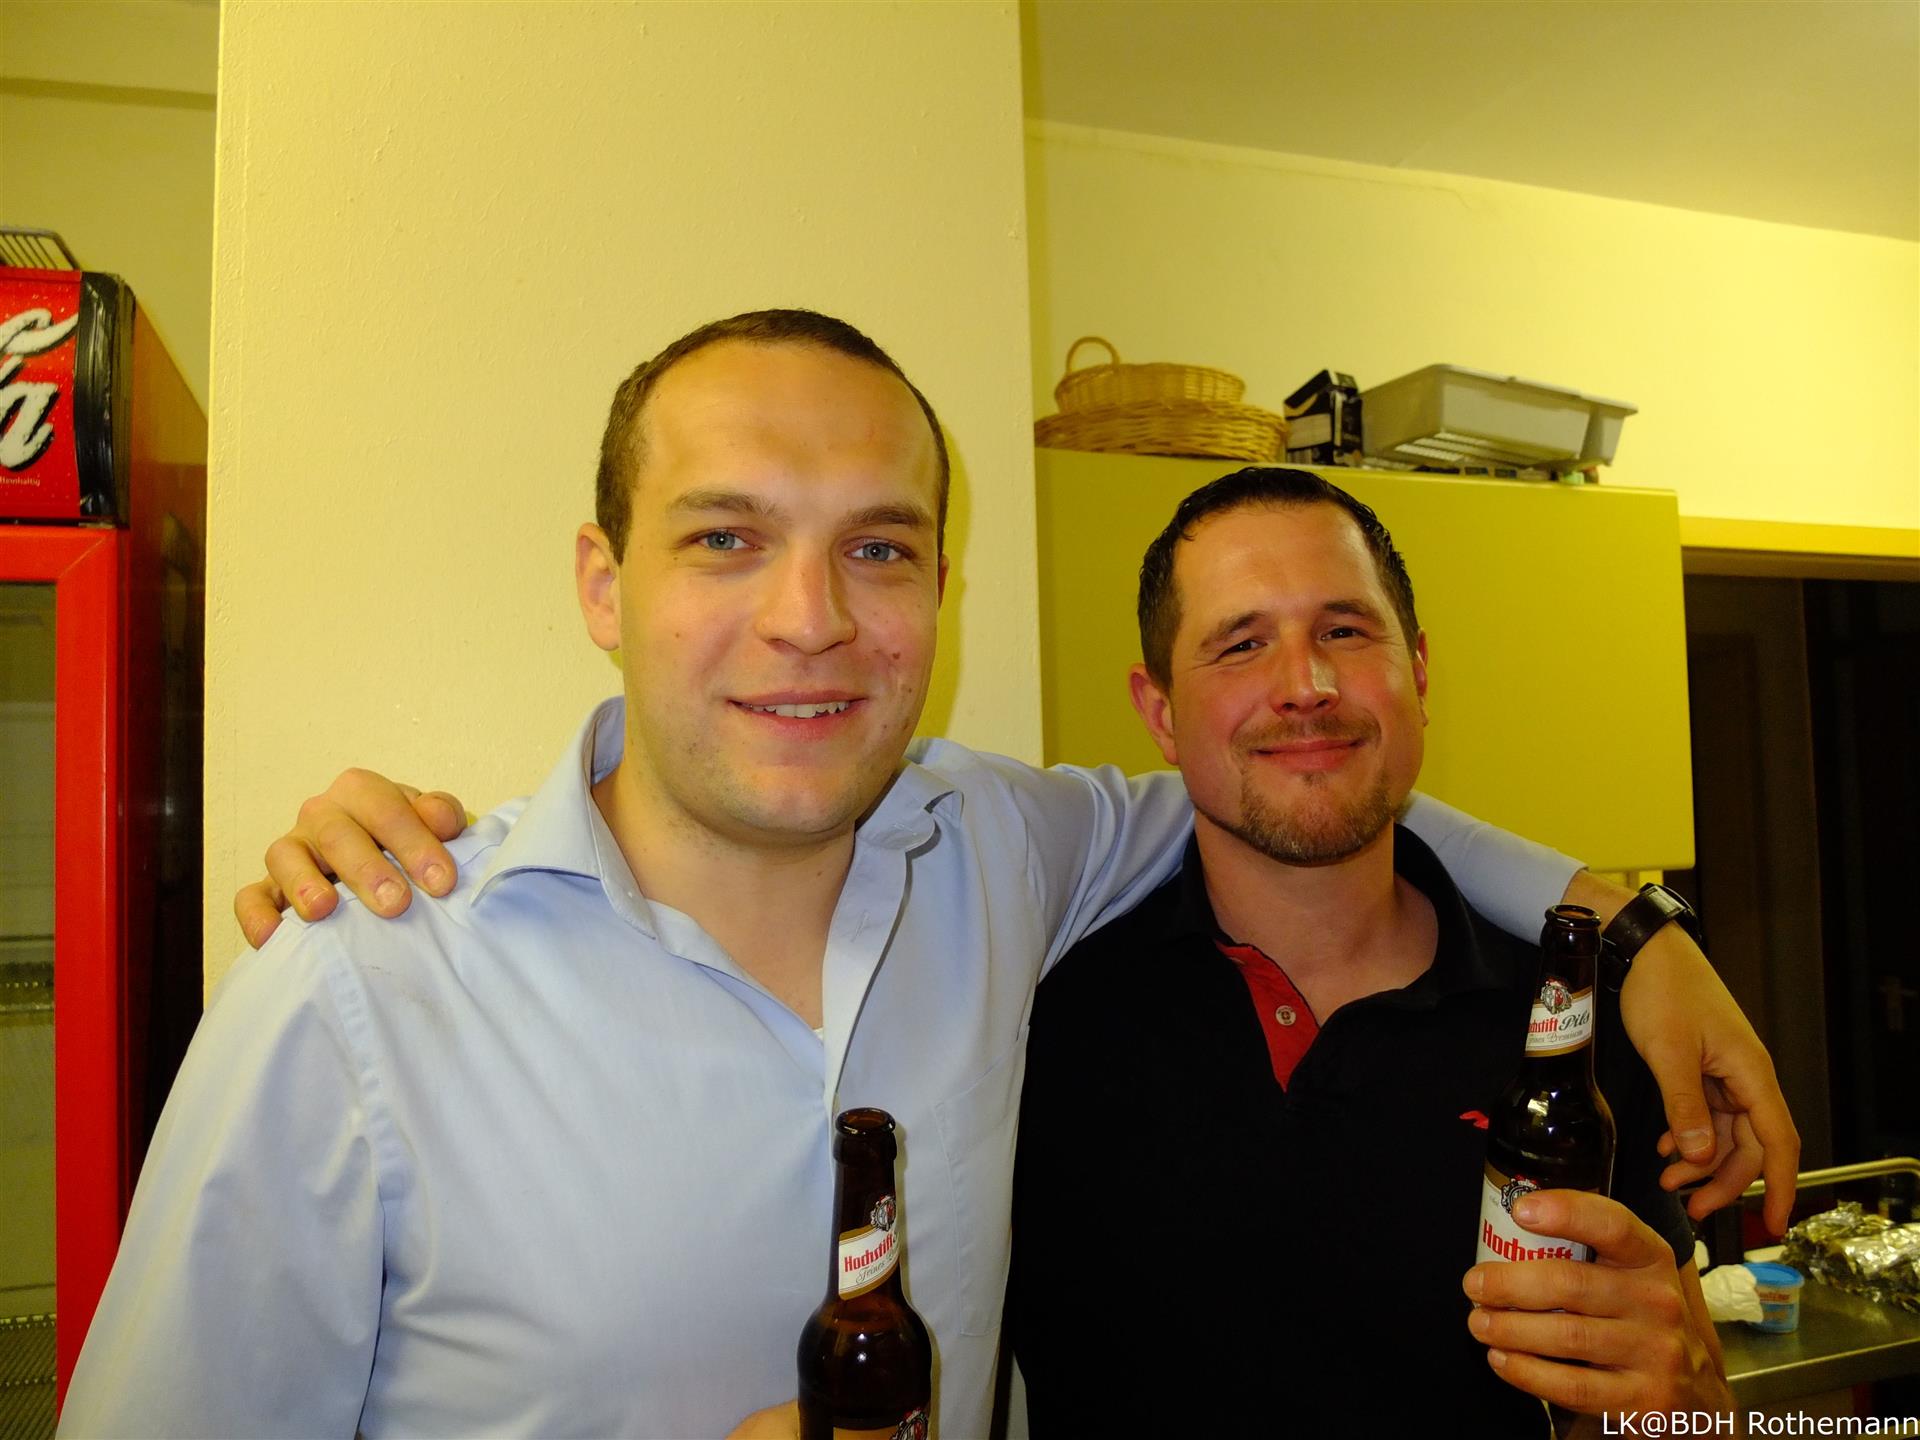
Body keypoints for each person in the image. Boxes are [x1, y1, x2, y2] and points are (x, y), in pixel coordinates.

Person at [64, 310, 1791, 1438]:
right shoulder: (356, 990)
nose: (809, 618)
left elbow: (1300, 779)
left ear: (941, 592)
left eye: (878, 549)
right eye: (725, 537)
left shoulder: (999, 854)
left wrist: (1633, 924)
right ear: (602, 581)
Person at [1008, 468, 1733, 1436]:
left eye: (1345, 631)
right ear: (1160, 713)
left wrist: (1686, 1407)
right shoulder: (1039, 1030)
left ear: (1418, 673)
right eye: (1241, 644)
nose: (1305, 687)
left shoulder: (1579, 1028)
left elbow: (1692, 1399)